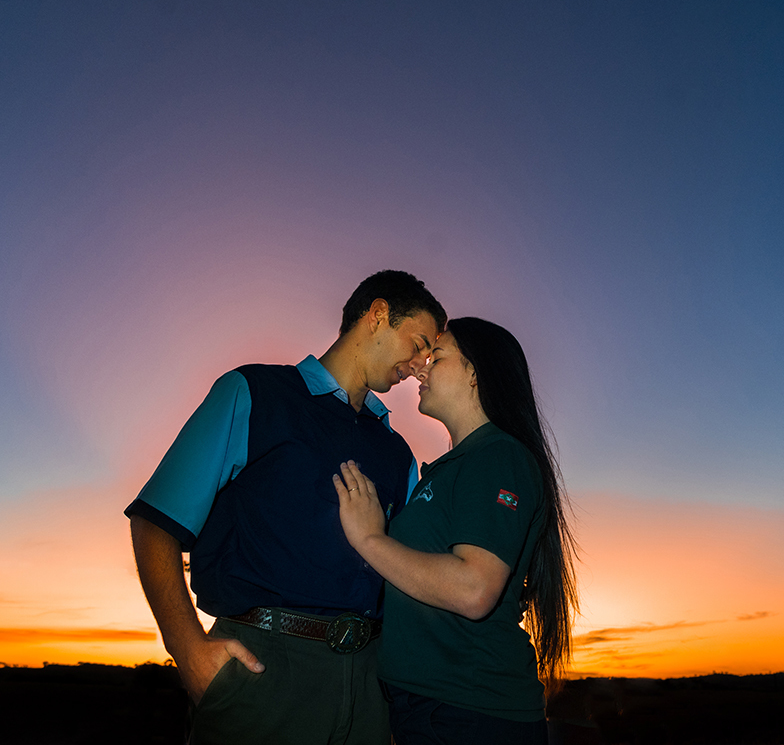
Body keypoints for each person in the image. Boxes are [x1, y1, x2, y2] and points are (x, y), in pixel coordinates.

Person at [125, 270, 447, 745]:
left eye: (431, 355)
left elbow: (406, 574)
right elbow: (155, 525)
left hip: (371, 686)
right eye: (419, 343)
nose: (422, 365)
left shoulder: (398, 454)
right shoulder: (252, 393)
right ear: (378, 315)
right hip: (263, 673)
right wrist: (188, 650)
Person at [333, 317, 578, 745]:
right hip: (431, 709)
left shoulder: (499, 457)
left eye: (437, 356)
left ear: (475, 373)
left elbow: (473, 589)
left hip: (470, 713)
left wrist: (369, 539)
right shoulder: (453, 467)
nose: (420, 370)